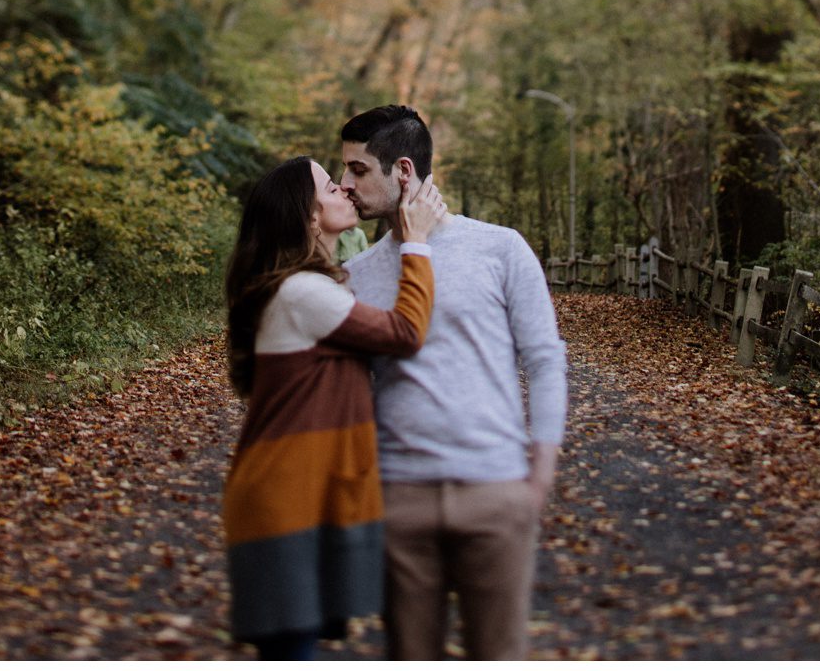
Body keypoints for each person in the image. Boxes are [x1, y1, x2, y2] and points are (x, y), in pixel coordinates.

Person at [339, 105, 568, 660]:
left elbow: (545, 360)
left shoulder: (500, 248)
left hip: (494, 493)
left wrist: (537, 479)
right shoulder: (358, 273)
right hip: (399, 501)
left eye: (357, 170)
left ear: (401, 171)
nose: (345, 185)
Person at [221, 155, 447, 660]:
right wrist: (416, 242)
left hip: (296, 495)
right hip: (284, 501)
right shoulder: (303, 293)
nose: (345, 190)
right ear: (307, 215)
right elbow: (405, 333)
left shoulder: (310, 287)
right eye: (330, 186)